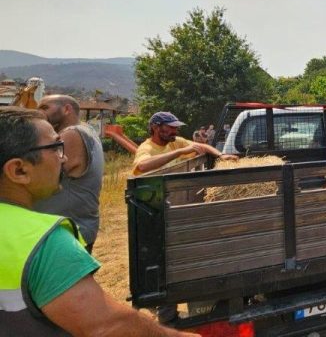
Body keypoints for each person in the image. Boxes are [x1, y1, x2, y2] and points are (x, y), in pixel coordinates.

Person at [0, 107, 198, 336]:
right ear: (19, 170)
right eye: (56, 147)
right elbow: (107, 326)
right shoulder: (41, 241)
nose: (63, 158)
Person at [35, 95, 104, 253]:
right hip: (74, 228)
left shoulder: (70, 134)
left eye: (45, 107)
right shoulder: (86, 130)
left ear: (67, 109)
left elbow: (38, 175)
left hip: (66, 234)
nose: (39, 112)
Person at [133, 112, 238, 176]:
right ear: (155, 128)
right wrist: (179, 152)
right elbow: (142, 166)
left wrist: (221, 155)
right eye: (171, 127)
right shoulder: (146, 148)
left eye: (176, 127)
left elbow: (203, 146)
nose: (175, 131)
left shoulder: (176, 141)